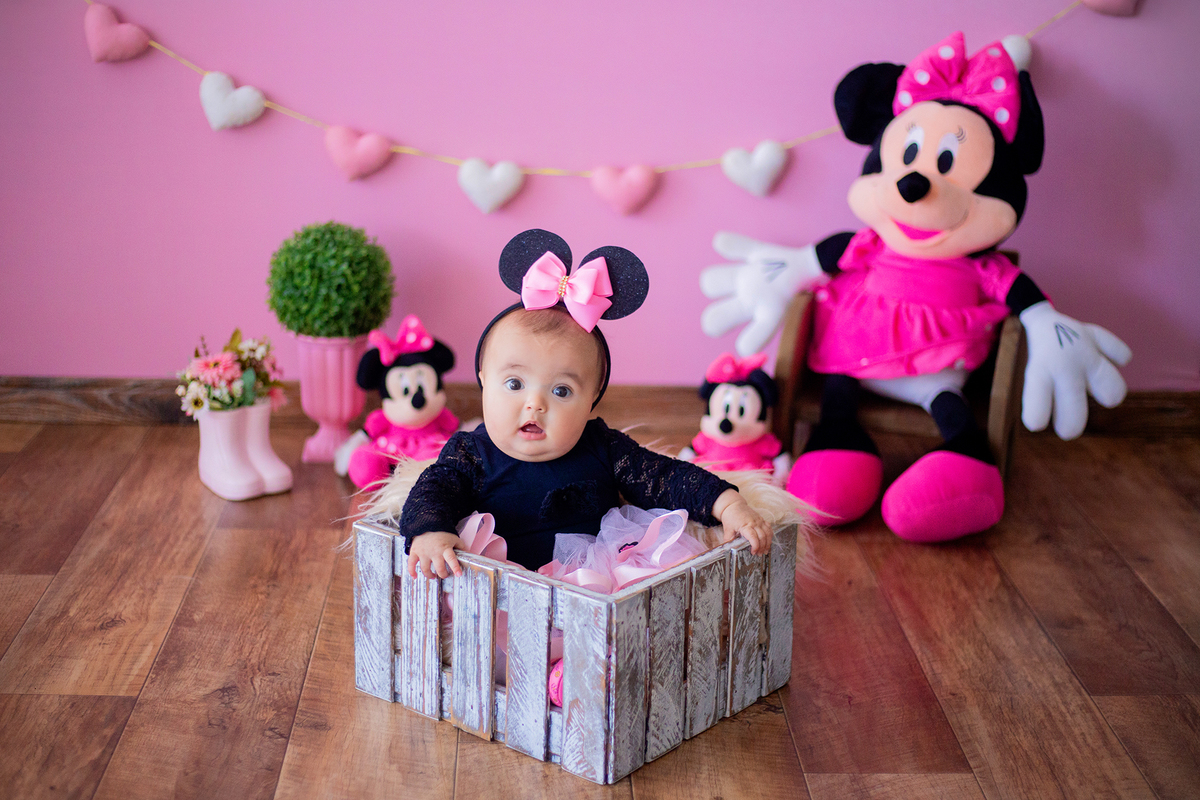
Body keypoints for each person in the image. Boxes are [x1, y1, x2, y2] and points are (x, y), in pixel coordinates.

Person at [400, 229, 773, 580]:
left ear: (592, 398)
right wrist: (430, 530)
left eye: (561, 391)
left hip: (592, 588)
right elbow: (433, 490)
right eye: (514, 384)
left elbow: (664, 477)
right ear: (483, 378)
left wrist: (727, 504)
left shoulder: (603, 447)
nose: (535, 404)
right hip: (501, 593)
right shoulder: (471, 453)